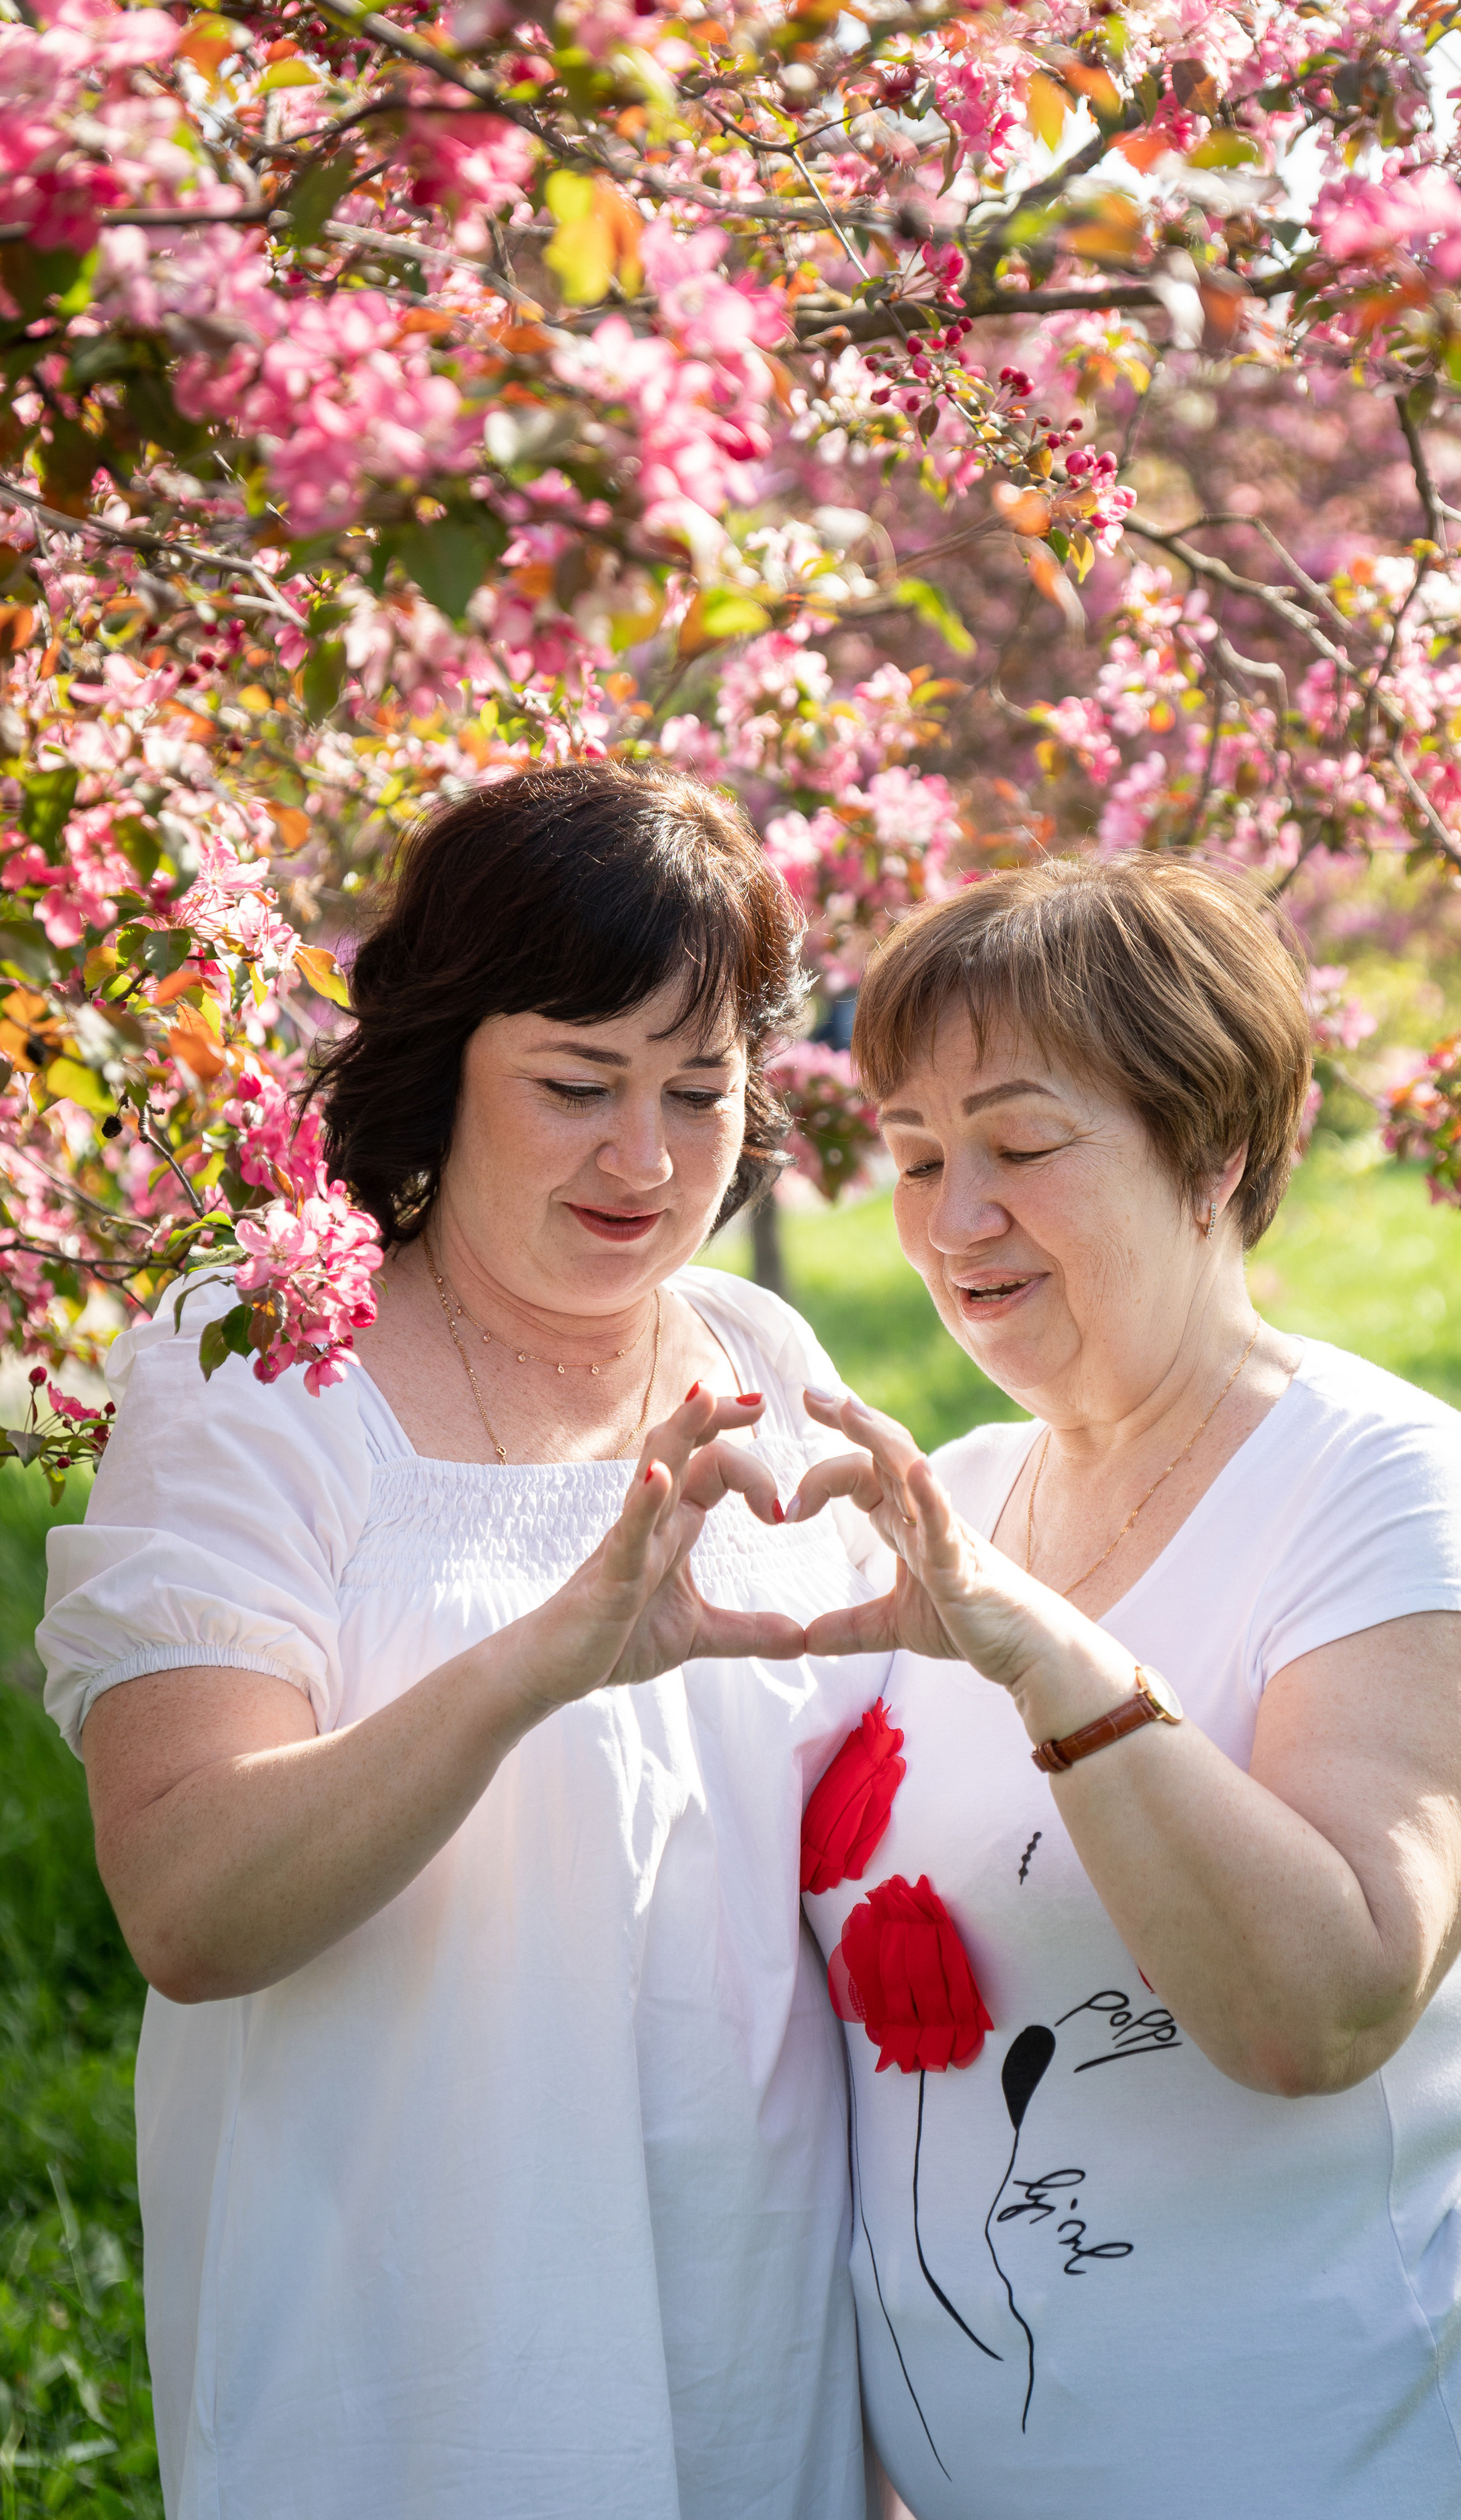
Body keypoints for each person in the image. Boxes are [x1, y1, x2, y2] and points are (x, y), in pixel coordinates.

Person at [37, 764, 890, 2520]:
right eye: (577, 1084)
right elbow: (190, 1909)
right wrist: (544, 1655)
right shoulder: (265, 1364)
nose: (645, 1159)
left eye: (700, 1090)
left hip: (755, 2291)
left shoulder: (759, 1360)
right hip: (406, 2323)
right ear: (444, 1063)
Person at [789, 856, 1461, 2520]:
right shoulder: (954, 1486)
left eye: (1020, 1146)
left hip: (1344, 2461)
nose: (958, 1219)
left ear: (1211, 1153)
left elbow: (1318, 2008)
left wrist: (1050, 1658)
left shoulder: (1379, 1480)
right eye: (917, 1158)